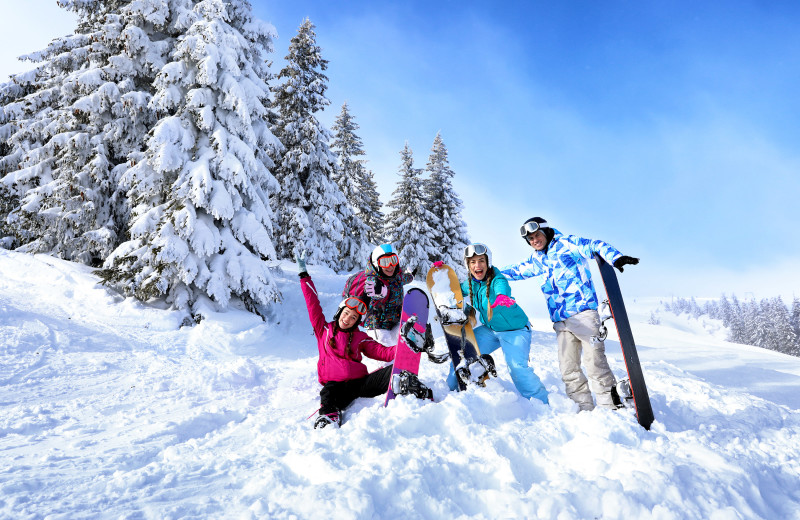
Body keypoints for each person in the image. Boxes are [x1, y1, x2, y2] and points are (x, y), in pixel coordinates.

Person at [500, 217, 639, 411]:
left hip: (584, 316)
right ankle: (583, 409)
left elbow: (594, 245)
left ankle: (611, 408)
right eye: (530, 239)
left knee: (595, 365)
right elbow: (514, 271)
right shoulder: (536, 259)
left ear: (546, 232)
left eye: (537, 235)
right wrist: (485, 271)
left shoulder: (567, 244)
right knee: (568, 370)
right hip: (561, 323)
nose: (534, 240)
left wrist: (615, 257)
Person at [296, 251, 430, 429]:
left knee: (393, 369)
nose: (348, 319)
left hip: (359, 384)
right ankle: (328, 415)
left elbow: (382, 352)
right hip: (335, 386)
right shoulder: (324, 330)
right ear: (339, 313)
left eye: (353, 318)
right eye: (346, 314)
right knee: (327, 393)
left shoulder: (360, 337)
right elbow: (312, 302)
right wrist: (304, 275)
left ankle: (407, 384)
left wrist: (405, 344)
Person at [445, 243, 549, 405]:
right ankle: (450, 391)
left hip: (515, 330)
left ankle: (541, 403)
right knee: (464, 353)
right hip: (491, 330)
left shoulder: (497, 279)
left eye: (481, 261)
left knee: (516, 367)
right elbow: (457, 289)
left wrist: (501, 297)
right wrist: (441, 276)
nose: (477, 265)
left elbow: (502, 288)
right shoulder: (471, 283)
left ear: (488, 263)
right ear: (468, 265)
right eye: (472, 262)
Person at [362, 244, 414, 346]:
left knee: (408, 337)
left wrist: (412, 275)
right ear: (376, 264)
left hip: (395, 323)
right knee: (386, 350)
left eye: (393, 260)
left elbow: (406, 278)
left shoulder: (397, 277)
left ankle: (402, 359)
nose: (390, 266)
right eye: (384, 262)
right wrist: (380, 292)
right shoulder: (373, 280)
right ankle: (387, 362)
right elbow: (372, 288)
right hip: (377, 326)